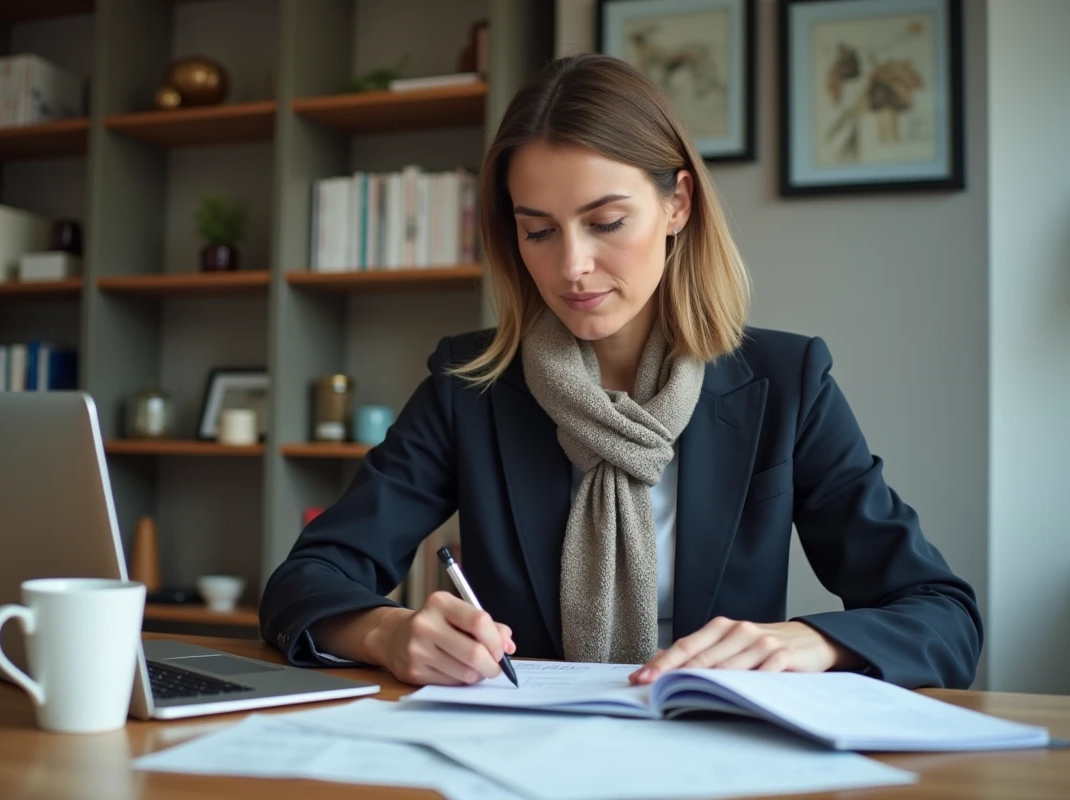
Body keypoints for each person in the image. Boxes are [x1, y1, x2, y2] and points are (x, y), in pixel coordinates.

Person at [259, 53, 982, 690]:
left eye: (605, 222)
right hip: (518, 760)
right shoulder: (469, 385)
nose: (570, 267)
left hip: (722, 760)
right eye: (538, 230)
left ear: (677, 203)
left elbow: (943, 617)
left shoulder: (787, 383)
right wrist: (388, 633)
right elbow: (303, 582)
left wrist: (810, 642)